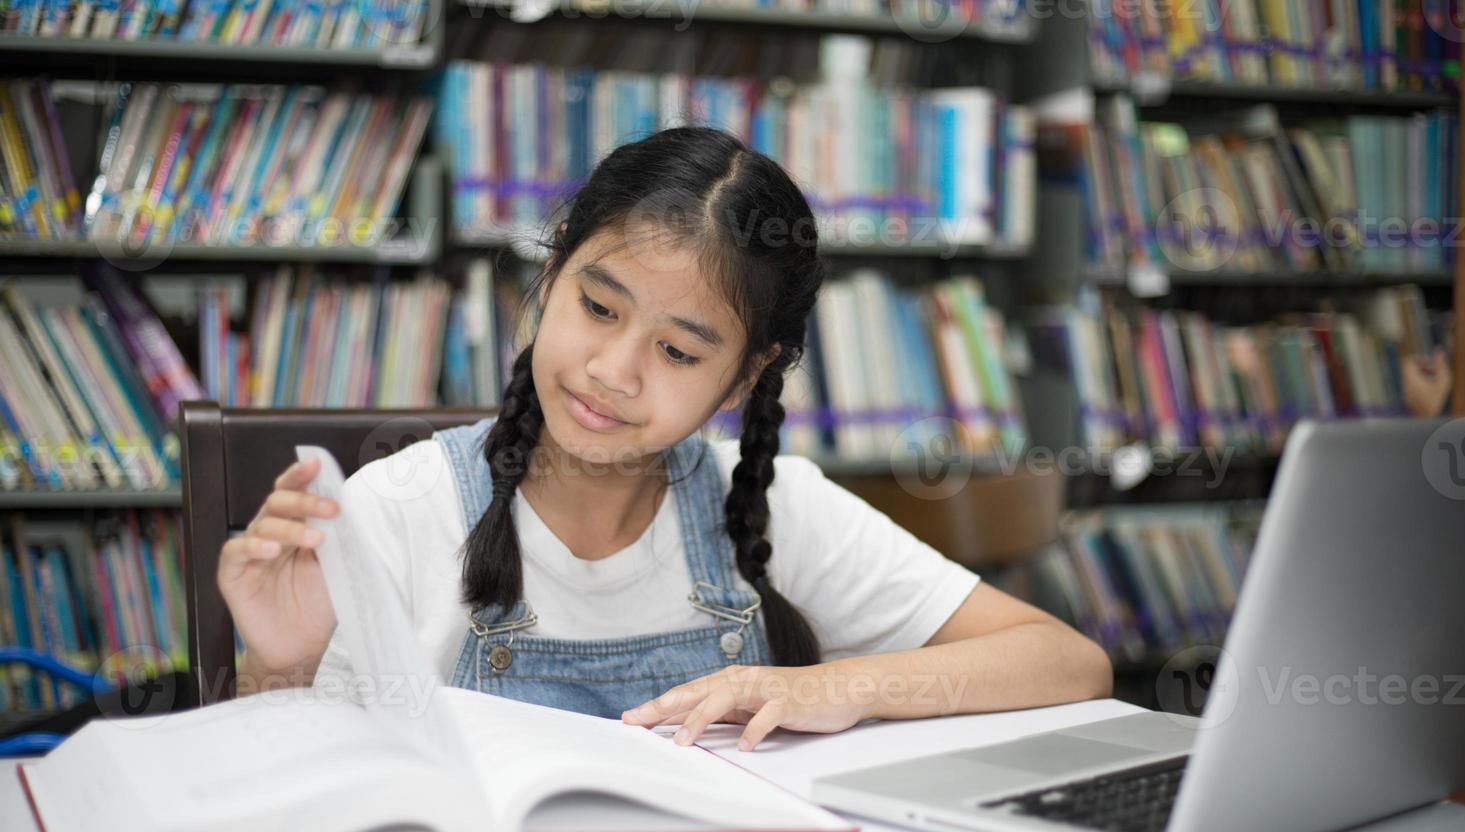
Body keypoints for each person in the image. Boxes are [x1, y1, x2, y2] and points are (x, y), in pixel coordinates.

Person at [216, 126, 1111, 751]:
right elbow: (281, 793)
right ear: (554, 264)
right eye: (597, 306)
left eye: (679, 350)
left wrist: (832, 686)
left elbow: (1069, 661)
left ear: (747, 374)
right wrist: (275, 668)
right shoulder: (401, 506)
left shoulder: (769, 506)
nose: (613, 369)